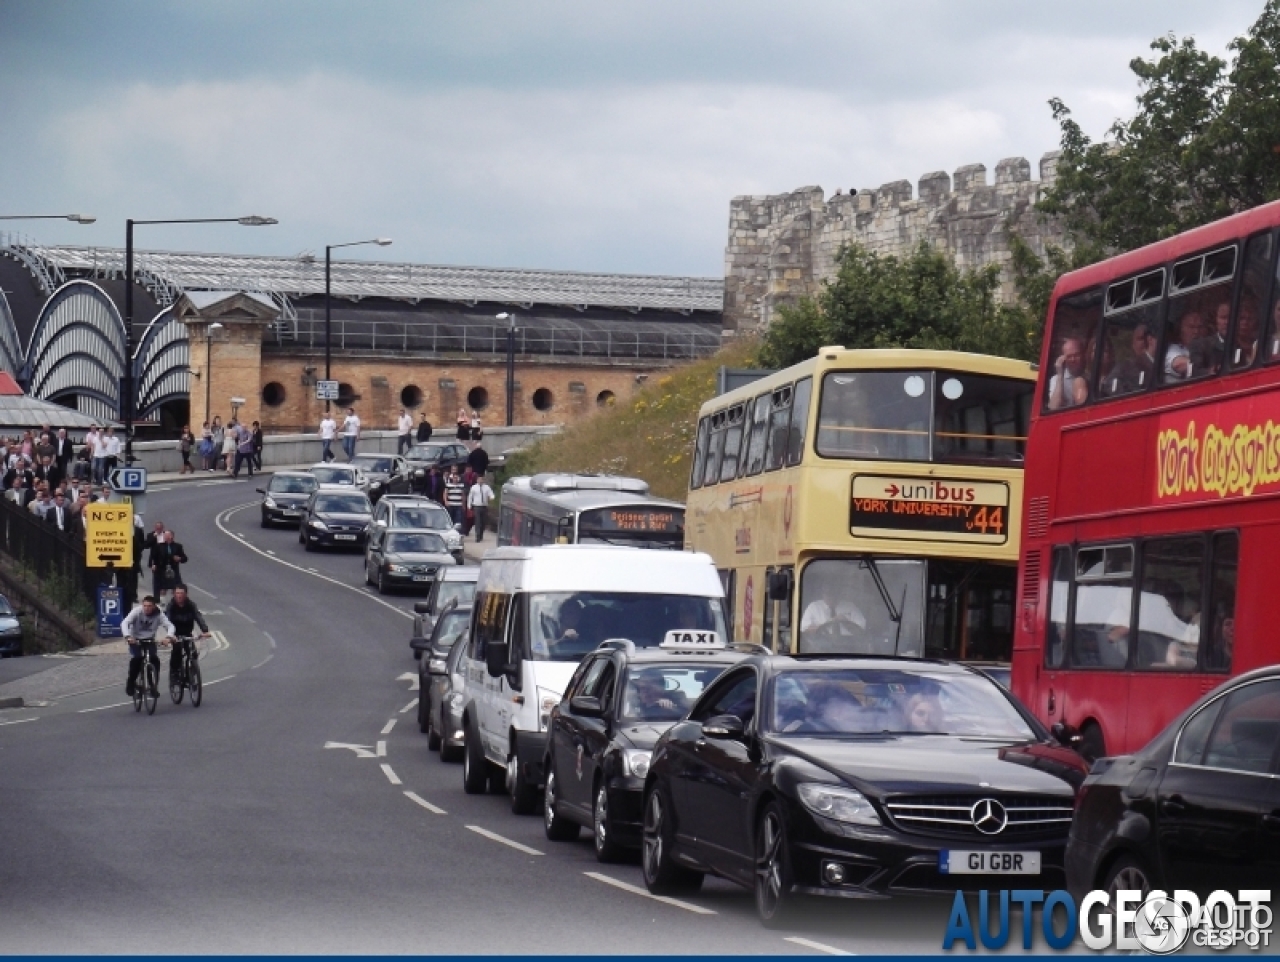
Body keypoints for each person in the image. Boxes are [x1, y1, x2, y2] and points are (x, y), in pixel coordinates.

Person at [122, 596, 176, 698]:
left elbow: (170, 626)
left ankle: (153, 687)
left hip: (150, 640)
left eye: (149, 606)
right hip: (135, 640)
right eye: (145, 606)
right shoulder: (137, 611)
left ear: (154, 606)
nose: (147, 608)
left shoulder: (159, 614)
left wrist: (168, 637)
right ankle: (131, 682)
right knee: (137, 659)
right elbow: (125, 623)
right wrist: (128, 636)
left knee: (154, 661)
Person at [165, 586, 210, 688]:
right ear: (174, 594)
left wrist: (205, 630)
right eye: (177, 593)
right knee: (176, 651)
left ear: (186, 594)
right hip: (175, 634)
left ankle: (190, 674)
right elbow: (167, 620)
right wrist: (170, 635)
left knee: (193, 653)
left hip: (187, 633)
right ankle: (174, 675)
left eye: (181, 593)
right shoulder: (171, 606)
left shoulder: (191, 605)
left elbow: (198, 617)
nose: (179, 596)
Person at [1047, 337, 1088, 410]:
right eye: (1069, 356)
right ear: (1063, 359)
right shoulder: (1056, 379)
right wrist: (1060, 375)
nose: (1073, 359)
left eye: (1076, 355)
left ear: (1084, 355)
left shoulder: (1090, 375)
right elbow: (1054, 407)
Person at [1190, 301, 1231, 375]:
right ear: (1216, 320)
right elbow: (1194, 371)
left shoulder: (1241, 343)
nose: (1227, 322)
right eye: (1223, 318)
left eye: (1230, 318)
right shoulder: (1201, 345)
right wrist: (1211, 372)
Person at [1165, 310, 1205, 380]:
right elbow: (1179, 364)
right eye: (1191, 327)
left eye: (1200, 327)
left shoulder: (1207, 347)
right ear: (1181, 329)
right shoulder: (1173, 350)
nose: (1196, 331)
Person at [150, 529, 187, 602]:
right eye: (164, 535)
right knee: (162, 589)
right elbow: (154, 557)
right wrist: (154, 565)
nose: (165, 536)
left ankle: (176, 603)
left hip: (173, 570)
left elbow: (185, 558)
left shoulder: (178, 546)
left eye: (167, 535)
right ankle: (161, 604)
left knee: (176, 588)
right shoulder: (159, 546)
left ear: (171, 536)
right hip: (161, 570)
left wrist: (179, 558)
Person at [466, 474, 495, 542]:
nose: (480, 480)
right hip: (477, 506)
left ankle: (481, 534)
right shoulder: (474, 487)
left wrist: (491, 498)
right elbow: (470, 497)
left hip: (484, 506)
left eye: (482, 479)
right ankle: (477, 536)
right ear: (477, 480)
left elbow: (491, 494)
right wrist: (469, 505)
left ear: (483, 480)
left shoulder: (487, 487)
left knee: (483, 522)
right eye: (479, 479)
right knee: (478, 521)